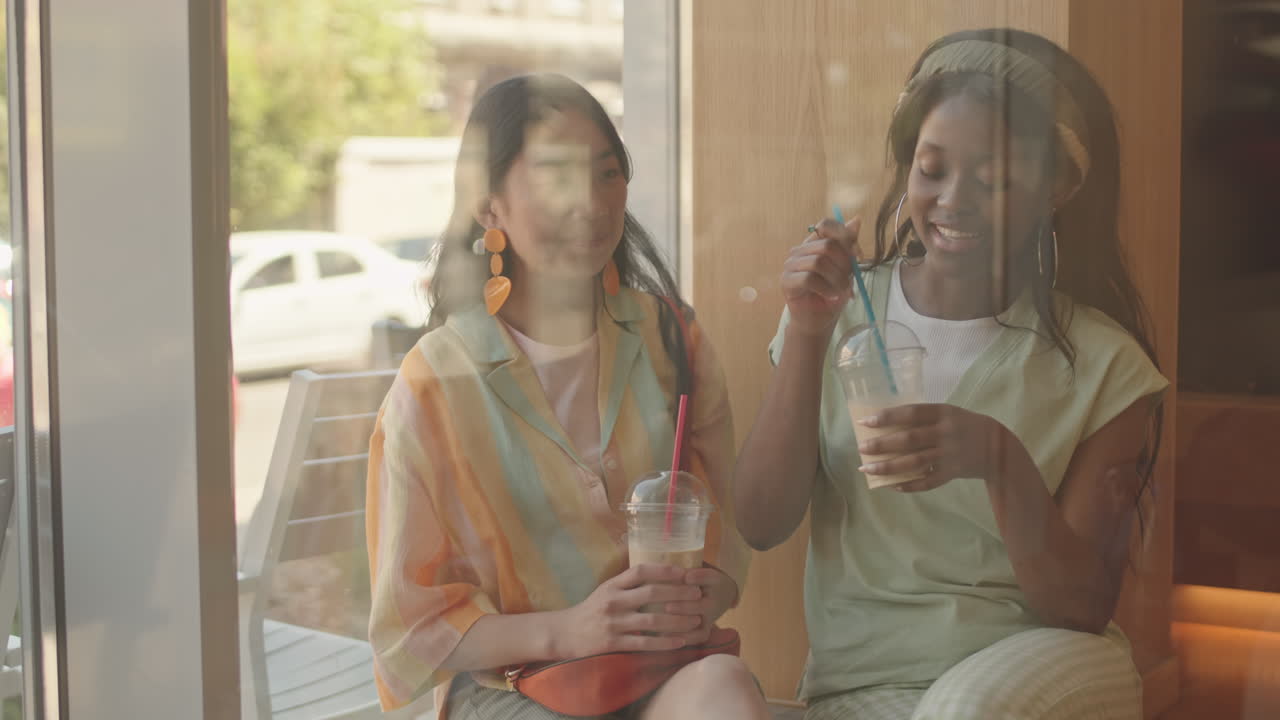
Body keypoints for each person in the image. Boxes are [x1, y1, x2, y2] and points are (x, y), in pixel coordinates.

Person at [734, 29, 1166, 720]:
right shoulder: (840, 314)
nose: (953, 199)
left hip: (1044, 671)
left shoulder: (1107, 366)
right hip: (862, 687)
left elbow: (1081, 607)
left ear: (1056, 188)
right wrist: (810, 332)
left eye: (992, 179)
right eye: (932, 169)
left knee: (962, 709)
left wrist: (999, 459)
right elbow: (759, 521)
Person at [366, 74, 763, 720]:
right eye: (555, 178)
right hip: (517, 686)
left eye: (607, 174)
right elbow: (412, 626)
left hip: (660, 675)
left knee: (726, 690)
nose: (591, 203)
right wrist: (571, 629)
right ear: (489, 207)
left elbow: (724, 531)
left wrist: (702, 594)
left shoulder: (672, 340)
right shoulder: (436, 384)